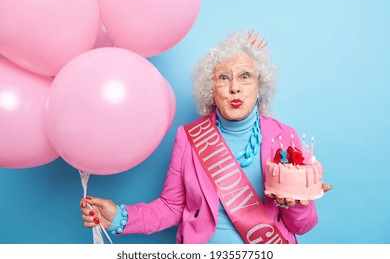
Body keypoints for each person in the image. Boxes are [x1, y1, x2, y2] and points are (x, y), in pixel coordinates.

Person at [80, 30, 331, 244]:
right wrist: (119, 217)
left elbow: (302, 227)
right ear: (210, 90)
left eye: (245, 76)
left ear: (260, 87)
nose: (234, 87)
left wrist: (299, 203)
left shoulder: (285, 136)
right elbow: (171, 207)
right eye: (224, 77)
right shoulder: (188, 138)